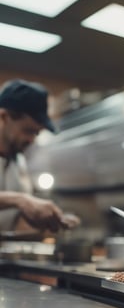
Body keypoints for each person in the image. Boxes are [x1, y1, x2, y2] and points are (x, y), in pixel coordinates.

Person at [0, 78, 79, 233]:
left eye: (37, 132)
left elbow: (12, 218)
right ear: (4, 117)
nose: (32, 139)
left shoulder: (19, 161)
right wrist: (20, 200)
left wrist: (44, 220)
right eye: (28, 130)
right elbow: (18, 201)